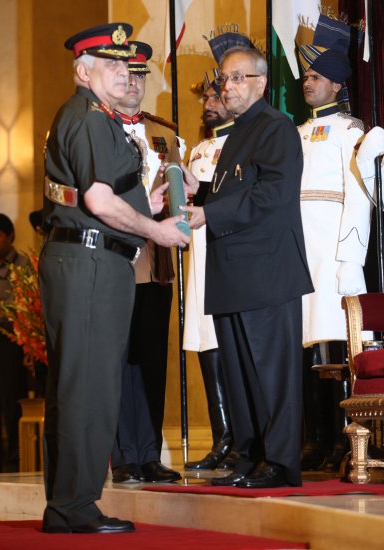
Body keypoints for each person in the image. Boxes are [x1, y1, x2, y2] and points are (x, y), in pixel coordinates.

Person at [39, 23, 189, 535]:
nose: (124, 73)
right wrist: (158, 233)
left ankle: (67, 503)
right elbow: (98, 201)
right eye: (112, 65)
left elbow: (117, 201)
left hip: (91, 259)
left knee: (79, 385)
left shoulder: (94, 118)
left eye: (127, 65)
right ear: (84, 71)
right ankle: (74, 506)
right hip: (90, 262)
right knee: (88, 389)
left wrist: (156, 204)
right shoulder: (88, 118)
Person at [182, 46, 313, 488]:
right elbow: (235, 189)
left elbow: (271, 196)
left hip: (265, 273)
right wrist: (198, 192)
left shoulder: (275, 128)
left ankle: (279, 462)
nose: (227, 87)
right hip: (234, 273)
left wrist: (209, 215)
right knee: (239, 374)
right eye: (224, 79)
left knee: (270, 373)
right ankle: (251, 454)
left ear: (259, 82)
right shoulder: (239, 132)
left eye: (236, 78)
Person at [297, 15, 373, 472]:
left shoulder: (351, 132)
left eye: (315, 76)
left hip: (334, 252)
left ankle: (343, 440)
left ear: (337, 85)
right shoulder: (296, 132)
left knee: (336, 347)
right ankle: (315, 436)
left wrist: (350, 255)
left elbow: (359, 199)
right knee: (307, 349)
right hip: (300, 251)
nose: (307, 82)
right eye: (306, 76)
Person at [111, 41, 184, 484]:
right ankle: (123, 456)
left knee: (152, 360)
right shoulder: (97, 130)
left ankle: (149, 452)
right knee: (118, 359)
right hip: (117, 258)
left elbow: (178, 195)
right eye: (127, 75)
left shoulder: (165, 134)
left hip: (157, 263)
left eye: (141, 76)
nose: (134, 84)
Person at [183, 78, 237, 470]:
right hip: (198, 259)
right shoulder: (198, 150)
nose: (208, 102)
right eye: (205, 97)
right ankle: (222, 437)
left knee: (233, 347)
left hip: (230, 255)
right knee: (207, 344)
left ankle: (243, 439)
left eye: (214, 95)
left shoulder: (243, 142)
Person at [0, 213, 28, 473]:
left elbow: (25, 305)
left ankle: (14, 459)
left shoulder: (22, 266)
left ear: (10, 236)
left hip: (8, 342)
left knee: (10, 401)